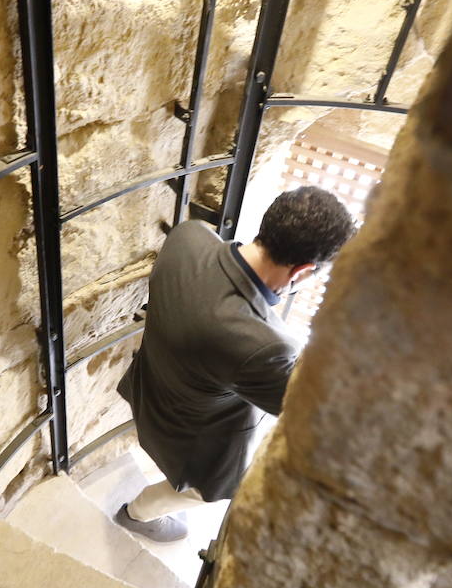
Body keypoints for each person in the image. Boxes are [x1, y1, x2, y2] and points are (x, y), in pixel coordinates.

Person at [113, 186, 357, 541]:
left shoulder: (189, 236)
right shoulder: (264, 345)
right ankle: (138, 514)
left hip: (150, 387)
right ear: (303, 270)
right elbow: (305, 410)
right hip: (194, 441)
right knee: (199, 493)